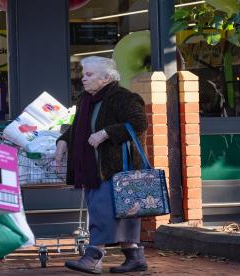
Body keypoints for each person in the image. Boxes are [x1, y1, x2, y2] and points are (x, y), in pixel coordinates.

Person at [56, 56, 148, 274]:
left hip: (114, 168)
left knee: (102, 212)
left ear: (107, 77)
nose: (83, 80)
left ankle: (93, 258)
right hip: (93, 168)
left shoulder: (124, 98)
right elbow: (78, 127)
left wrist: (106, 133)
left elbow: (139, 123)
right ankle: (135, 258)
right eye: (83, 75)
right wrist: (62, 141)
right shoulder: (86, 100)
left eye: (89, 75)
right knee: (118, 213)